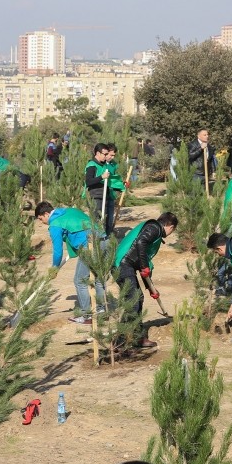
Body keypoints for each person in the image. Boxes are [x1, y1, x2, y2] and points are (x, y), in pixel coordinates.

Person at [113, 212, 178, 349]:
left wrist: (151, 288)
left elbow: (144, 260)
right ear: (170, 226)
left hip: (126, 264)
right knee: (133, 302)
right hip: (122, 265)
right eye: (172, 230)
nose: (170, 232)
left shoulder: (154, 231)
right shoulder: (154, 228)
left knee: (138, 298)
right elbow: (140, 243)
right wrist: (144, 267)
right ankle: (119, 342)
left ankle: (138, 338)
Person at [35, 201, 105, 324]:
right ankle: (102, 311)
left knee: (79, 280)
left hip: (89, 246)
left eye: (41, 219)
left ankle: (86, 315)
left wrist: (55, 268)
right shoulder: (70, 211)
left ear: (46, 214)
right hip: (104, 240)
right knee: (98, 278)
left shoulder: (55, 224)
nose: (42, 222)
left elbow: (58, 251)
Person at [84, 144, 117, 236]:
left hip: (104, 196)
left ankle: (106, 240)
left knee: (105, 221)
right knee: (97, 221)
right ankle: (97, 241)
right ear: (98, 153)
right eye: (105, 154)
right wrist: (101, 177)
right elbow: (88, 181)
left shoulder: (104, 165)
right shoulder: (91, 165)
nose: (106, 156)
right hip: (95, 197)